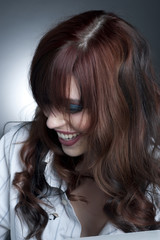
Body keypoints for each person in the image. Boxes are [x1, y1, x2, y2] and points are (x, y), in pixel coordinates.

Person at [0, 10, 160, 240]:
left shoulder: (155, 181)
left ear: (121, 104)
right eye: (46, 101)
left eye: (73, 108)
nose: (51, 121)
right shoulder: (15, 147)